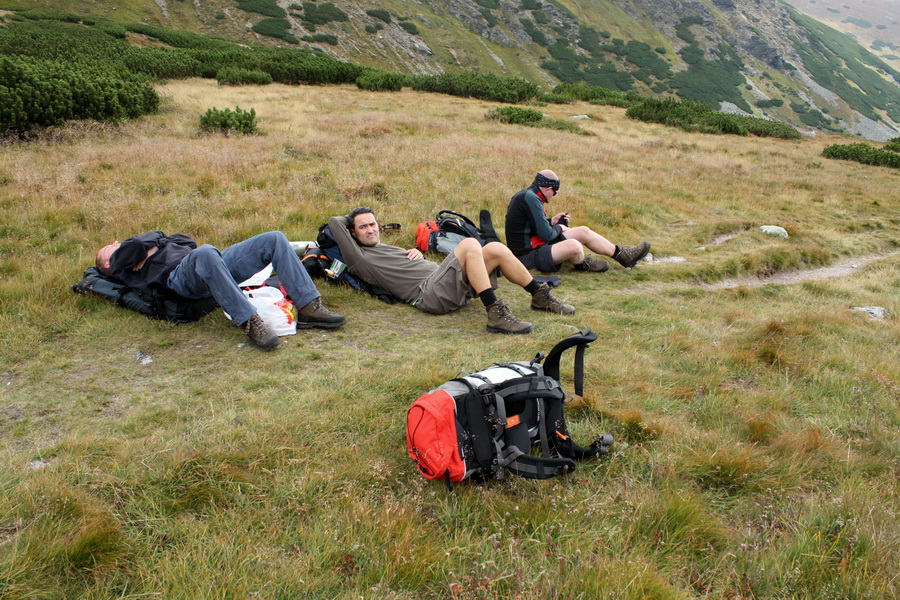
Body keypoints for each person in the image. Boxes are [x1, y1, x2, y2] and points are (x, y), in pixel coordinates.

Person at [328, 207, 575, 335]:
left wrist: (416, 254)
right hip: (430, 295)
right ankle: (495, 313)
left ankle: (539, 296)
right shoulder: (358, 258)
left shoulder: (384, 248)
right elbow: (334, 222)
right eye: (363, 227)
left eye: (372, 224)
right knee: (469, 244)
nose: (370, 229)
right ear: (353, 233)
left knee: (496, 248)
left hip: (444, 283)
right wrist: (351, 218)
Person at [96, 230, 346, 350]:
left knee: (274, 238)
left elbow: (185, 240)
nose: (115, 243)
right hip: (179, 279)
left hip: (206, 262)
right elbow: (138, 243)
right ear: (107, 263)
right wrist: (153, 243)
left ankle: (309, 305)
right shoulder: (119, 265)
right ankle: (250, 322)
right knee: (204, 252)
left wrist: (155, 243)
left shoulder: (146, 246)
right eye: (110, 247)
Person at [505, 170, 651, 273]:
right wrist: (560, 227)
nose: (553, 196)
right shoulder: (531, 198)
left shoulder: (528, 196)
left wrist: (552, 221)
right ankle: (581, 263)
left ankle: (623, 255)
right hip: (527, 256)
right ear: (549, 189)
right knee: (574, 245)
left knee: (583, 231)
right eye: (554, 193)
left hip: (536, 246)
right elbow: (546, 235)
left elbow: (529, 226)